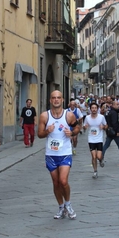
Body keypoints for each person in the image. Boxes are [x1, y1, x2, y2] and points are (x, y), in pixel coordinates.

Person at [37, 90, 80, 220]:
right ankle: (61, 207)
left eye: (58, 98)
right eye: (54, 98)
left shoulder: (69, 115)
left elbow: (78, 127)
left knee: (63, 181)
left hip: (65, 153)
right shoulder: (45, 116)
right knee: (56, 183)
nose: (56, 100)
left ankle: (68, 204)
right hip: (51, 154)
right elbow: (39, 134)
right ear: (50, 100)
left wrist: (71, 133)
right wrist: (46, 131)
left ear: (62, 100)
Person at [83, 102, 107, 179]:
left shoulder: (101, 117)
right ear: (90, 109)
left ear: (97, 109)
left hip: (99, 139)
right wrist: (85, 127)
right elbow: (84, 127)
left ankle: (101, 159)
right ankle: (95, 171)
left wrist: (103, 127)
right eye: (92, 108)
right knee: (93, 156)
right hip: (91, 139)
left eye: (95, 108)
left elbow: (106, 126)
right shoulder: (87, 118)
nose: (94, 109)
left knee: (98, 156)